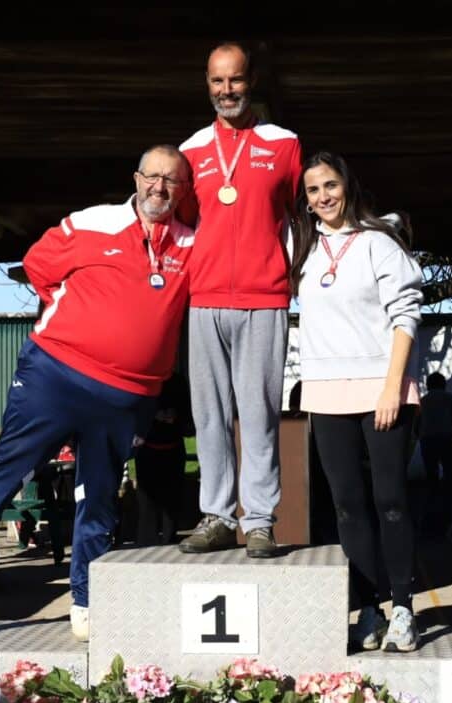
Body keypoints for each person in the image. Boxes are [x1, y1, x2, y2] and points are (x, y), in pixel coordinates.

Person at [0, 145, 195, 641]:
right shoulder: (93, 221)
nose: (160, 187)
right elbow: (39, 266)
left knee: (98, 497)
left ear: (184, 189)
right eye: (152, 176)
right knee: (6, 469)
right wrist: (79, 317)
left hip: (127, 395)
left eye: (171, 180)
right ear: (136, 179)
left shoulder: (191, 243)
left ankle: (86, 601)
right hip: (56, 376)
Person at [291, 151, 424, 652]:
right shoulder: (302, 248)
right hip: (326, 392)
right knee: (347, 506)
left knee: (390, 501)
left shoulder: (379, 243)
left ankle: (403, 608)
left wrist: (393, 387)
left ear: (347, 185)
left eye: (330, 185)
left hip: (381, 388)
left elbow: (406, 316)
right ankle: (368, 609)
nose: (323, 196)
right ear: (305, 200)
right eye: (313, 190)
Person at [177, 41, 303, 558]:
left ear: (251, 81)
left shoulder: (284, 144)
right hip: (205, 297)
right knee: (208, 415)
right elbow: (184, 222)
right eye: (217, 80)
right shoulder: (190, 151)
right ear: (206, 84)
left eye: (235, 79)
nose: (226, 90)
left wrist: (291, 278)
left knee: (258, 415)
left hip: (264, 297)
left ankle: (260, 521)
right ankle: (216, 515)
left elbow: (299, 216)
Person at [134, 370, 194, 546]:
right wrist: (154, 415)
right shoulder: (145, 378)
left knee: (172, 501)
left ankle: (169, 540)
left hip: (173, 447)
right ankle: (147, 544)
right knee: (147, 504)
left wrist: (175, 416)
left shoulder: (177, 381)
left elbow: (187, 414)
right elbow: (135, 409)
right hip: (148, 448)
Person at [415, 371, 452, 530]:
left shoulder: (422, 401)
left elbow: (416, 424)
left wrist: (420, 434)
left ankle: (432, 504)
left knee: (431, 473)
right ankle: (450, 505)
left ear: (428, 385)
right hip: (447, 438)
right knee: (450, 472)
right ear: (444, 384)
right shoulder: (450, 398)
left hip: (428, 439)